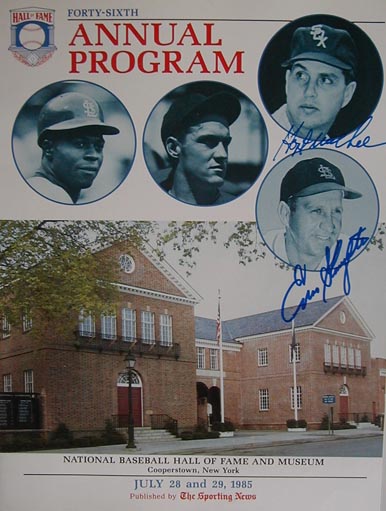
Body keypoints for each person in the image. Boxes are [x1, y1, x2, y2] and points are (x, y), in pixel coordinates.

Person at [264, 157, 362, 270]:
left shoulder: (354, 254)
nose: (329, 226)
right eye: (317, 211)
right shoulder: (260, 251)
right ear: (285, 214)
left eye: (336, 211)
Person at [28, 92, 119, 204]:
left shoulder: (44, 190)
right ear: (48, 148)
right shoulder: (49, 193)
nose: (93, 155)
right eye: (80, 144)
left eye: (98, 147)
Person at [272, 24, 358, 140]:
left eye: (325, 80)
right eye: (301, 76)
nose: (309, 92)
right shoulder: (260, 137)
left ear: (347, 94)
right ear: (287, 82)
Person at [159, 91, 241, 205]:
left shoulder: (240, 209)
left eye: (226, 143)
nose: (223, 155)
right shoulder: (147, 208)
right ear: (173, 148)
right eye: (208, 141)